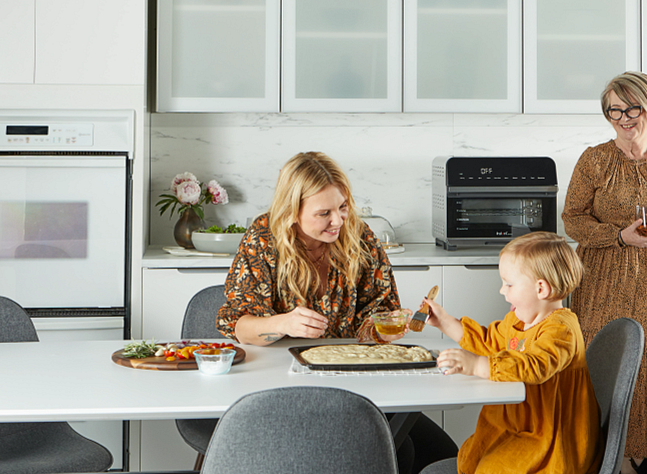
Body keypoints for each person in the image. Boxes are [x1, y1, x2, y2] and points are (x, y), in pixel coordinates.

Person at [216, 151, 458, 473]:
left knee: (441, 452)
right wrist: (284, 322)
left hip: (355, 379)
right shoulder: (263, 239)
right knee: (399, 452)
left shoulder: (360, 238)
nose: (338, 221)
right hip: (282, 384)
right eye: (324, 213)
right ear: (293, 211)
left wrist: (387, 327)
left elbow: (374, 317)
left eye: (343, 207)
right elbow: (238, 325)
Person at [562, 71, 647, 474]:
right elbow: (572, 220)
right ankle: (615, 461)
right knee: (605, 369)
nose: (623, 118)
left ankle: (643, 460)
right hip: (603, 279)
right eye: (613, 110)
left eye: (631, 108)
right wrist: (619, 236)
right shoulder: (595, 160)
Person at [420, 231, 603, 474]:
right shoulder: (517, 321)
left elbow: (535, 366)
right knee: (472, 459)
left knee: (491, 469)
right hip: (519, 423)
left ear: (540, 289)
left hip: (551, 436)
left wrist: (477, 366)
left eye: (509, 284)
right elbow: (487, 340)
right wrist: (444, 321)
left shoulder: (561, 329)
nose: (501, 291)